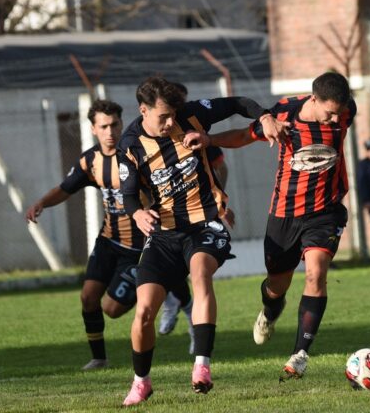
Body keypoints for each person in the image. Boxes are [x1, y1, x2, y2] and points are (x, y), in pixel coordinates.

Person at [118, 76, 287, 406]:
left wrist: (265, 116)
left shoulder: (192, 115)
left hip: (206, 223)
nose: (171, 123)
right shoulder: (130, 146)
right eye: (163, 116)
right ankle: (141, 382)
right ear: (143, 110)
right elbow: (127, 196)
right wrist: (137, 213)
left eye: (173, 115)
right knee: (144, 313)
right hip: (164, 233)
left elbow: (238, 103)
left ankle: (202, 367)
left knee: (200, 275)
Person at [191, 70, 355, 381]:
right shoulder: (283, 115)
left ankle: (300, 354)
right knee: (276, 286)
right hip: (285, 214)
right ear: (314, 99)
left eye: (340, 113)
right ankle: (269, 310)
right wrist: (209, 140)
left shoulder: (346, 111)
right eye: (330, 113)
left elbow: (341, 114)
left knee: (315, 273)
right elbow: (242, 136)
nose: (336, 120)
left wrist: (338, 114)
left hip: (326, 212)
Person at [24, 100, 190, 370]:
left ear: (121, 123)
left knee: (111, 309)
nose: (110, 131)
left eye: (114, 124)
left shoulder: (136, 154)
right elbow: (65, 188)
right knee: (88, 297)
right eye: (104, 126)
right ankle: (99, 358)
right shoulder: (90, 160)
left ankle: (166, 285)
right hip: (108, 241)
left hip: (137, 248)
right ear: (93, 129)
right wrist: (40, 203)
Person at [157, 83, 232, 340]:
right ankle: (176, 301)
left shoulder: (195, 129)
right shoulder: (145, 139)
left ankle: (187, 312)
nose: (178, 113)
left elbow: (221, 167)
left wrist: (219, 200)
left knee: (195, 270)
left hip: (199, 218)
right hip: (159, 216)